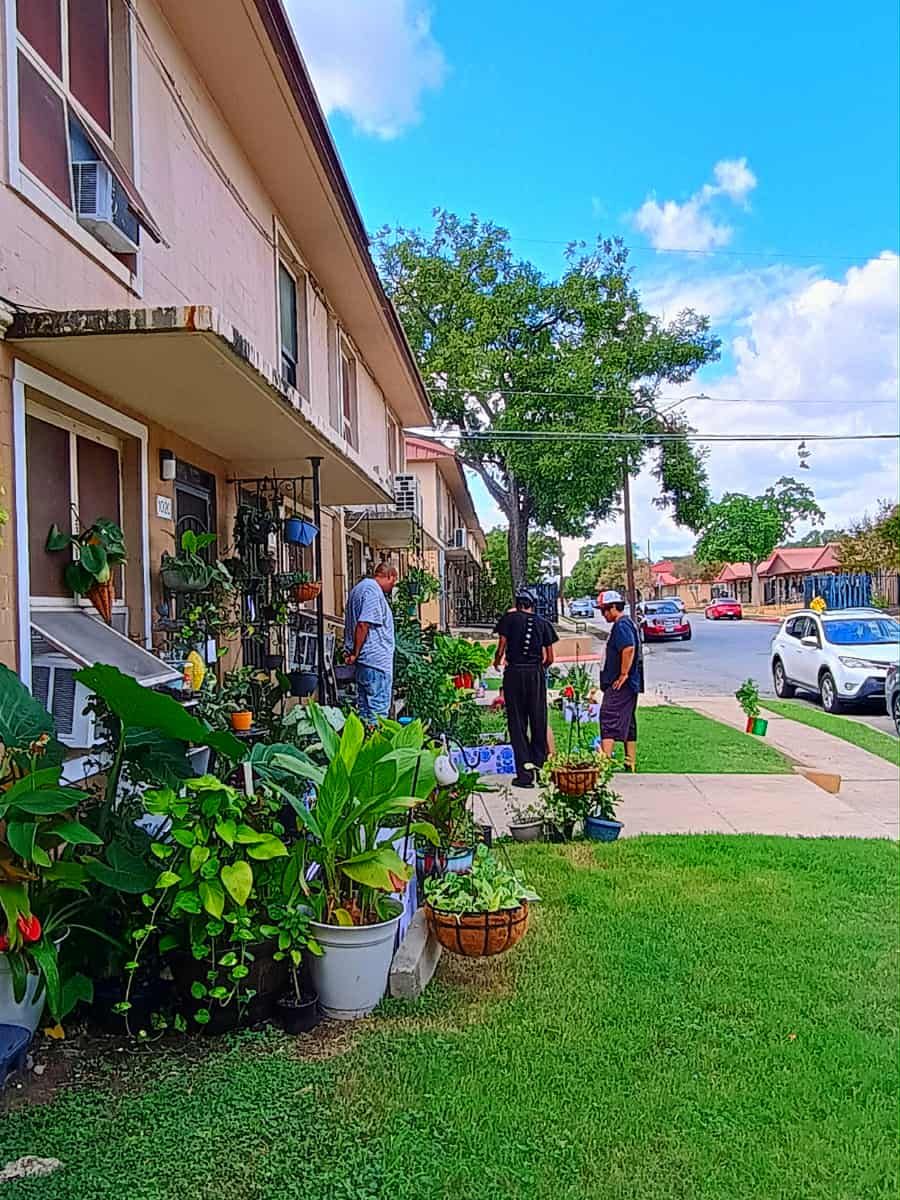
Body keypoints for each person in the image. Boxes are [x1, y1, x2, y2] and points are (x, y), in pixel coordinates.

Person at [493, 590, 558, 787]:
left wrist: (497, 661)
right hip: (535, 674)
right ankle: (540, 769)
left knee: (517, 722)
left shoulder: (508, 619)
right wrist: (538, 669)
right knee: (538, 719)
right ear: (533, 604)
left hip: (514, 673)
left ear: (518, 603)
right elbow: (550, 658)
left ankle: (524, 774)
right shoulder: (543, 623)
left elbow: (501, 646)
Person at [344, 563, 398, 723]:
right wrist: (355, 652)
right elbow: (363, 624)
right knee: (378, 716)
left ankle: (365, 745)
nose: (391, 588)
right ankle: (376, 746)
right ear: (389, 576)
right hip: (376, 663)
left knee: (365, 713)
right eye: (393, 582)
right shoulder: (372, 591)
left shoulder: (358, 589)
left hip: (365, 664)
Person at [598, 590, 643, 771]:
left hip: (621, 684)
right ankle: (629, 761)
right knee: (628, 720)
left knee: (608, 717)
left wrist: (623, 674)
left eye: (604, 610)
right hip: (626, 684)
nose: (603, 614)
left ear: (613, 607)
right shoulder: (624, 624)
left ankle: (605, 762)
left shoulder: (622, 625)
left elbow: (628, 648)